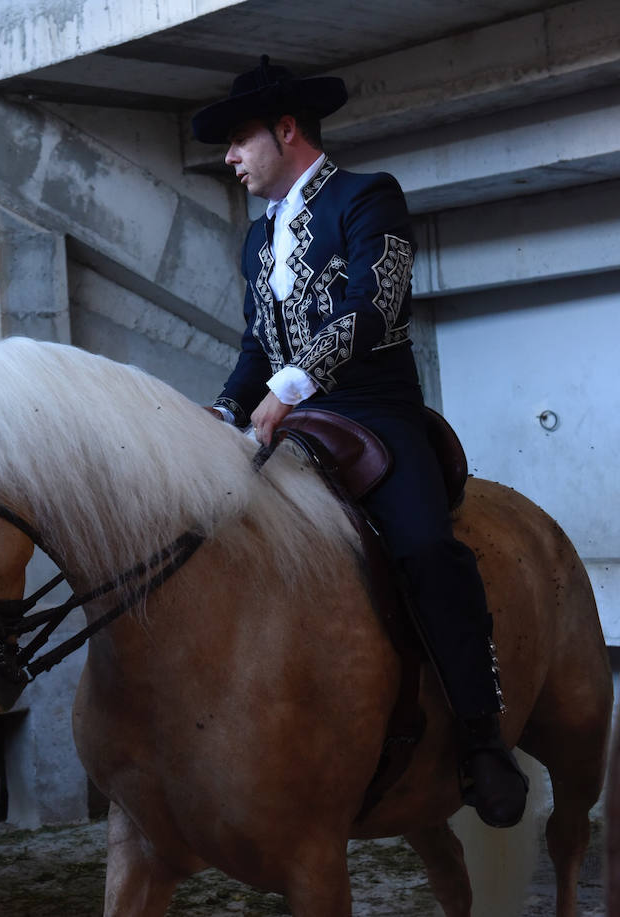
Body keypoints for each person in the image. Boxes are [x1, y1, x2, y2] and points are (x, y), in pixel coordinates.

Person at [191, 57, 529, 827]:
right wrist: (222, 409)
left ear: (287, 131)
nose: (230, 158)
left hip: (377, 414)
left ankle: (482, 737)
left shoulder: (368, 196)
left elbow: (373, 306)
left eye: (240, 141)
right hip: (289, 419)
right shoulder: (256, 241)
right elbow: (255, 344)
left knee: (425, 549)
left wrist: (287, 389)